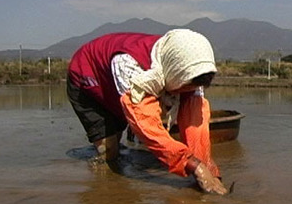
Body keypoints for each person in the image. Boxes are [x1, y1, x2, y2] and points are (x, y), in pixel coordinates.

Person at [67, 29, 227, 195]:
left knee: (118, 140)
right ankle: (105, 191)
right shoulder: (128, 63)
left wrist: (209, 169)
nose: (183, 93)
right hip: (89, 81)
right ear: (174, 73)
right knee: (109, 151)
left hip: (121, 87)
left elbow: (196, 127)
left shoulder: (190, 69)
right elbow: (146, 123)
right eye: (184, 87)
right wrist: (194, 166)